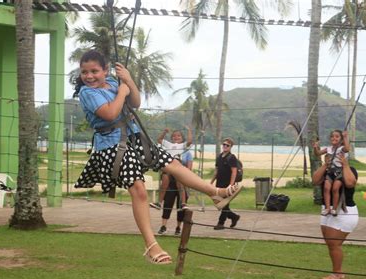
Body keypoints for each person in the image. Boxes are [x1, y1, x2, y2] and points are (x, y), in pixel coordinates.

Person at [73, 50, 242, 265]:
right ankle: (151, 246)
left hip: (133, 138)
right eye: (85, 72)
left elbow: (135, 102)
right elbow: (110, 113)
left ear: (105, 71)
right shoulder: (87, 92)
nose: (89, 76)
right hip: (111, 147)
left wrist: (129, 82)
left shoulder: (114, 84)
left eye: (94, 71)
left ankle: (215, 193)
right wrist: (122, 92)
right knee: (139, 190)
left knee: (173, 163)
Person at [313, 152, 358, 279]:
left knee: (334, 244)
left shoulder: (350, 170)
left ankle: (337, 273)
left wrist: (345, 165)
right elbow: (315, 180)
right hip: (327, 210)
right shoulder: (327, 172)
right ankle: (336, 271)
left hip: (344, 211)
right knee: (331, 244)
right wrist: (324, 165)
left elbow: (350, 183)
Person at [151, 127, 192, 211]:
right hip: (169, 163)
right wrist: (164, 132)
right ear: (171, 138)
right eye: (174, 136)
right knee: (164, 183)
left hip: (177, 164)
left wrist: (189, 131)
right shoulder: (168, 144)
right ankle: (159, 203)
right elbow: (159, 139)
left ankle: (183, 203)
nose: (176, 137)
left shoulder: (182, 145)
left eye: (178, 136)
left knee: (180, 184)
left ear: (182, 137)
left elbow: (190, 141)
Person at [313, 130, 350, 216]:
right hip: (330, 171)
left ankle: (334, 208)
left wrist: (345, 137)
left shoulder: (342, 149)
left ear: (340, 139)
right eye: (332, 136)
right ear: (330, 138)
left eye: (337, 136)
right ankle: (327, 208)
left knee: (335, 189)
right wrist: (315, 147)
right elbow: (317, 154)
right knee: (326, 188)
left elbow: (347, 149)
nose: (334, 138)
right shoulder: (328, 149)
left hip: (339, 172)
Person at [158, 149, 193, 235]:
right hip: (171, 187)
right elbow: (163, 183)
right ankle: (163, 226)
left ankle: (178, 227)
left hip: (181, 188)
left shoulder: (182, 171)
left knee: (181, 207)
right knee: (168, 204)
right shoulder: (167, 171)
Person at [211, 137, 241, 230]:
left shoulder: (232, 157)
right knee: (219, 203)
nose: (225, 146)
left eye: (227, 145)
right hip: (219, 183)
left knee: (225, 204)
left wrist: (231, 185)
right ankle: (234, 217)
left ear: (231, 147)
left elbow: (234, 171)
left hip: (227, 184)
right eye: (224, 144)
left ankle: (221, 223)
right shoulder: (219, 157)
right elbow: (216, 171)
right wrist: (211, 182)